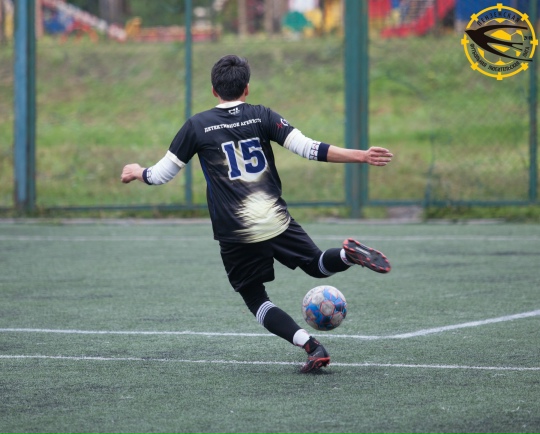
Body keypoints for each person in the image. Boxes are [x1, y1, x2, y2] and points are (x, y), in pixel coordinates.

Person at [121, 55, 393, 373]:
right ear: (247, 88)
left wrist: (137, 171)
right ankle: (347, 255)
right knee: (318, 265)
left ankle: (311, 346)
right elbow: (309, 148)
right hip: (274, 218)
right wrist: (361, 155)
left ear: (214, 90)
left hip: (236, 231)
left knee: (256, 299)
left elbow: (160, 175)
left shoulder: (197, 125)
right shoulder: (262, 115)